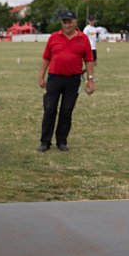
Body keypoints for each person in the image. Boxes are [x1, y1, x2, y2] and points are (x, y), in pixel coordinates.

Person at [37, 10, 95, 152]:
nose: (67, 25)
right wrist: (41, 76)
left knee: (67, 110)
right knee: (49, 109)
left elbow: (88, 60)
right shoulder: (54, 37)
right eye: (64, 22)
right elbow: (46, 58)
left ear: (75, 22)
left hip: (73, 80)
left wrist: (90, 80)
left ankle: (62, 141)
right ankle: (45, 141)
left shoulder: (83, 38)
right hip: (54, 78)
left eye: (69, 22)